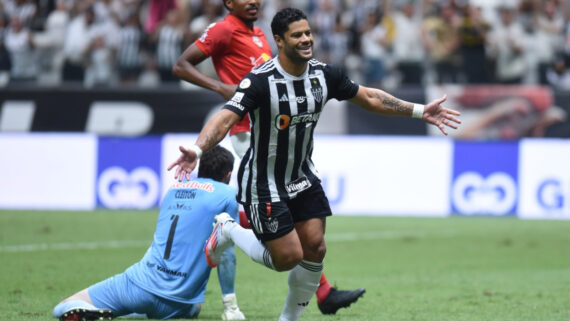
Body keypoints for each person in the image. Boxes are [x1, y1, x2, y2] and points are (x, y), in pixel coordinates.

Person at [168, 7, 461, 321]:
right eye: (298, 35)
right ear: (279, 41)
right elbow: (225, 118)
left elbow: (370, 98)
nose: (306, 39)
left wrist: (420, 111)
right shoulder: (259, 81)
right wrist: (197, 151)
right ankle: (226, 229)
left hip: (303, 177)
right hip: (264, 183)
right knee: (287, 258)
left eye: (308, 33)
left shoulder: (324, 74)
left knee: (315, 249)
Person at [172, 0, 365, 315]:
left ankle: (322, 289)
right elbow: (181, 65)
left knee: (298, 227)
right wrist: (222, 88)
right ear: (228, 3)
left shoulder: (261, 34)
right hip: (249, 130)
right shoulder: (222, 30)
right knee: (269, 203)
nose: (253, 1)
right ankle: (229, 229)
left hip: (273, 129)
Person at [53, 146, 246, 321]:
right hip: (180, 302)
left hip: (139, 285)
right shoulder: (227, 194)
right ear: (228, 175)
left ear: (200, 167)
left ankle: (107, 312)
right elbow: (226, 253)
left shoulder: (173, 189)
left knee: (64, 306)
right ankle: (148, 311)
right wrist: (231, 307)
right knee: (195, 308)